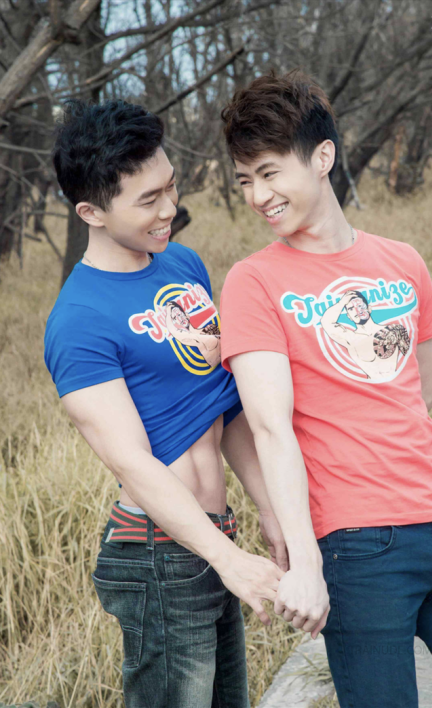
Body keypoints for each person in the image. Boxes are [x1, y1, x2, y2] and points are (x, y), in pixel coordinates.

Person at [219, 70, 432, 707]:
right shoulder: (255, 282)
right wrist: (307, 562)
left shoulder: (403, 261)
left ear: (322, 157)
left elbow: (420, 391)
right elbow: (270, 428)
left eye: (269, 173)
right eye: (245, 180)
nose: (259, 195)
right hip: (357, 546)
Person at [44, 99, 287, 708]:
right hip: (157, 555)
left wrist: (270, 506)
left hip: (212, 536)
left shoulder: (182, 263)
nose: (169, 209)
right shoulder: (78, 319)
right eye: (147, 200)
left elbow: (222, 408)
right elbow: (130, 461)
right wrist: (229, 560)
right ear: (91, 212)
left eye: (170, 186)